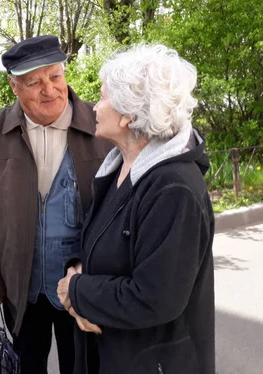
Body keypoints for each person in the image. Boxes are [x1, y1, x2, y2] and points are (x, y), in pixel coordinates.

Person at [57, 44, 215, 374]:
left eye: (102, 98)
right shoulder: (118, 166)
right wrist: (77, 274)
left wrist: (76, 291)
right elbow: (103, 242)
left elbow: (155, 298)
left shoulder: (174, 189)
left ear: (129, 114)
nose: (95, 107)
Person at [0, 35, 112, 374]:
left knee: (81, 366)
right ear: (13, 86)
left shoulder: (102, 127)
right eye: (34, 82)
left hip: (81, 285)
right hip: (21, 286)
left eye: (55, 76)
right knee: (27, 365)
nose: (49, 89)